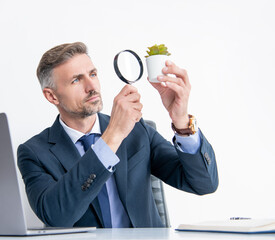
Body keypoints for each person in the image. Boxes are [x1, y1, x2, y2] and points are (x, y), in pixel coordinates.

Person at [17, 42, 218, 228]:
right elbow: (56, 216)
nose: (91, 86)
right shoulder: (34, 153)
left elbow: (203, 184)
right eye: (76, 80)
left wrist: (181, 120)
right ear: (51, 96)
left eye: (93, 74)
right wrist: (112, 136)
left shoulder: (137, 130)